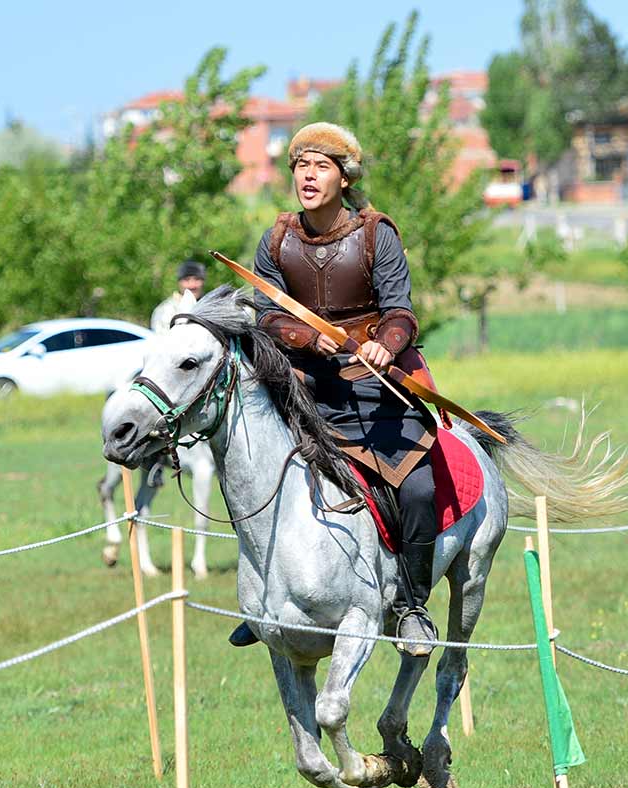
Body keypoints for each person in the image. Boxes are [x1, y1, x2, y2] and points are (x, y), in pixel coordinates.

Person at [229, 122, 438, 657]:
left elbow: (400, 312)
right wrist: (303, 337)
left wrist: (385, 346)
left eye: (321, 166)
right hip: (303, 384)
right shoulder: (276, 239)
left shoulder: (376, 235)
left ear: (344, 178)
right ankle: (263, 602)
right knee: (253, 471)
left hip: (375, 385)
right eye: (301, 166)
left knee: (415, 488)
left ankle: (412, 607)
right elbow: (266, 314)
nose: (308, 176)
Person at [151, 260, 206, 333]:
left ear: (203, 282)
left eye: (197, 279)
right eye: (187, 280)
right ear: (179, 282)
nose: (192, 285)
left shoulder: (210, 307)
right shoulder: (166, 310)